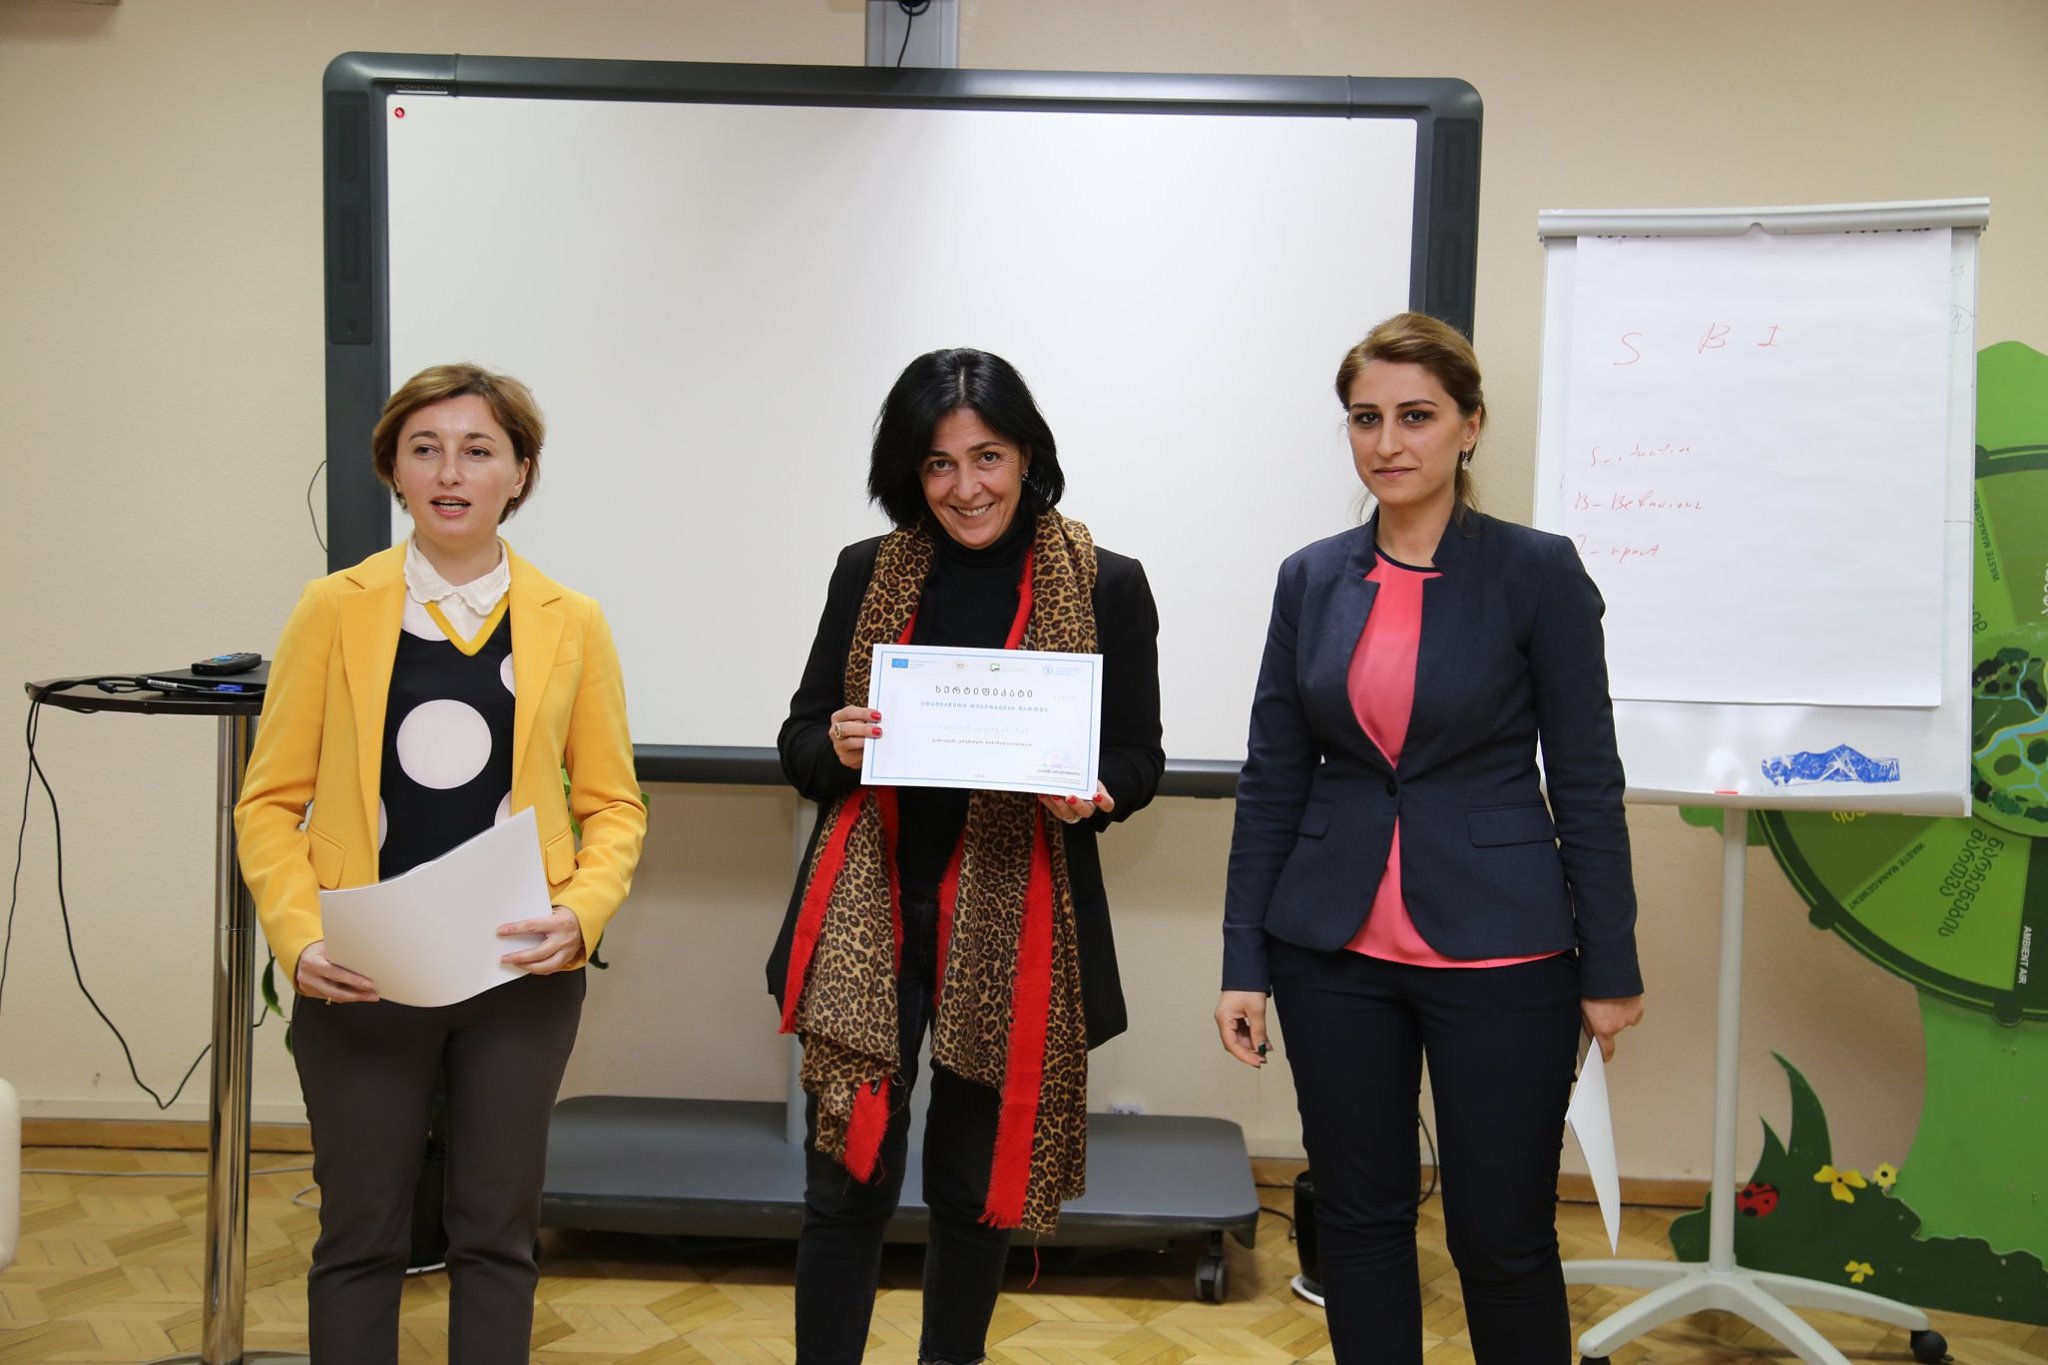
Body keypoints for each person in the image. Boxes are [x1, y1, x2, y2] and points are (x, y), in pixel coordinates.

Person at [1213, 313, 1644, 1363]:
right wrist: (1242, 961)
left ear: (1469, 425)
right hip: (1331, 949)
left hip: (1503, 951)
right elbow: (1273, 778)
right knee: (1357, 1225)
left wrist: (1611, 963)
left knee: (1501, 1238)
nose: (1388, 442)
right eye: (1365, 419)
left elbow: (1586, 779)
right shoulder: (1310, 577)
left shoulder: (1536, 571)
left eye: (1416, 416)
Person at [235, 364, 647, 1363]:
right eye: (425, 449)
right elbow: (269, 803)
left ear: (520, 473)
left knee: (497, 1237)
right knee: (359, 1238)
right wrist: (301, 938)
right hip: (361, 972)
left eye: (477, 450)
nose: (450, 472)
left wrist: (581, 913)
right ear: (394, 471)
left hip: (518, 974)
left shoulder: (572, 619)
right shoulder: (331, 609)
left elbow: (612, 805)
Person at [768, 347, 1163, 1365]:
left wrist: (1095, 790)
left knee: (971, 1188)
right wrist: (834, 744)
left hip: (1014, 922)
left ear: (1026, 454)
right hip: (876, 912)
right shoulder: (868, 571)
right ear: (911, 471)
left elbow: (1137, 755)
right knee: (842, 1187)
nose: (965, 487)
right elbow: (801, 739)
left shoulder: (1106, 583)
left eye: (986, 456)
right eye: (938, 464)